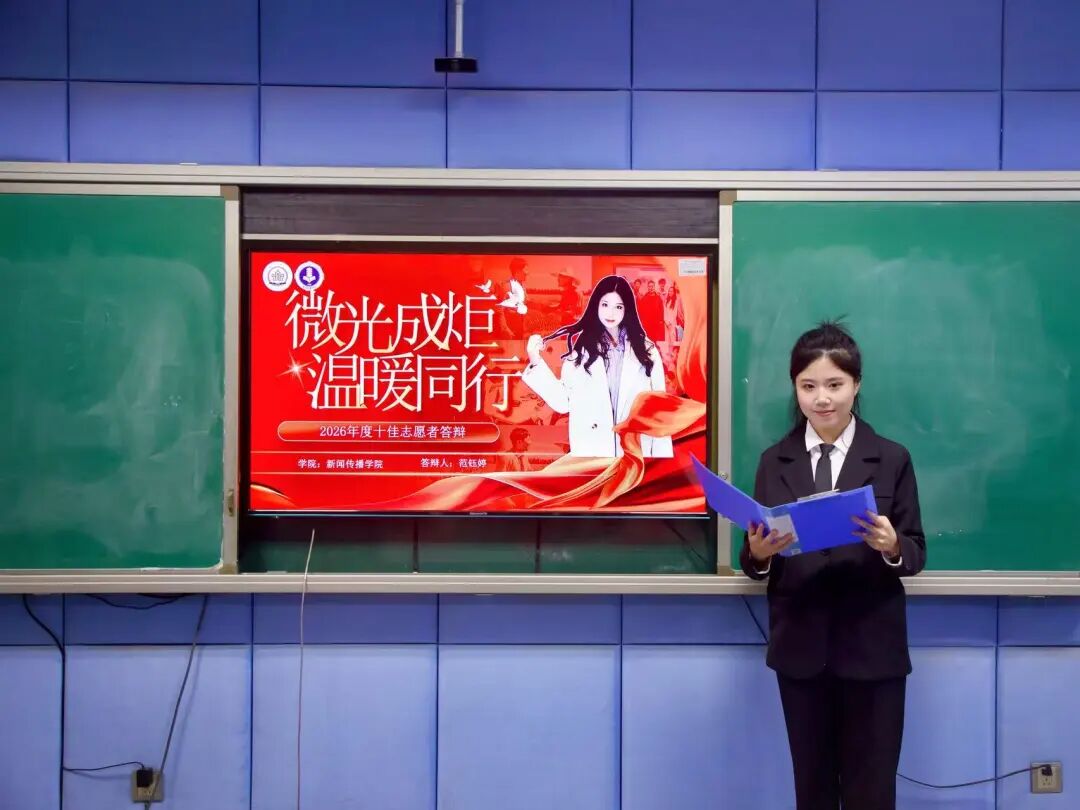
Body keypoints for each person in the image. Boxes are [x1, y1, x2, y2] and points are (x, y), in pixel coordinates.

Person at [739, 321, 926, 810]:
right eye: (808, 386)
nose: (822, 398)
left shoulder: (891, 459)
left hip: (873, 650)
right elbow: (753, 557)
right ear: (795, 388)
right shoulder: (773, 461)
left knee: (872, 792)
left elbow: (915, 551)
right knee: (813, 790)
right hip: (801, 651)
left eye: (834, 384)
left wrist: (892, 545)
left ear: (856, 385)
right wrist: (758, 555)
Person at [521, 275, 672, 458]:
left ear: (627, 309)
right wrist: (535, 360)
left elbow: (659, 412)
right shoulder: (581, 353)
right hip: (593, 452)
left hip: (635, 454)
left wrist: (662, 462)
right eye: (605, 304)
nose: (611, 313)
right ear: (596, 306)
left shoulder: (647, 351)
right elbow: (562, 402)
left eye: (618, 307)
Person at [637, 278, 666, 343]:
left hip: (655, 322)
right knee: (647, 338)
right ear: (648, 287)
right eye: (649, 286)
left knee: (655, 338)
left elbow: (661, 309)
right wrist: (642, 321)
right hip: (647, 322)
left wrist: (661, 320)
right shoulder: (644, 298)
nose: (651, 288)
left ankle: (654, 347)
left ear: (654, 287)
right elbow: (641, 310)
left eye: (652, 286)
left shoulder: (658, 298)